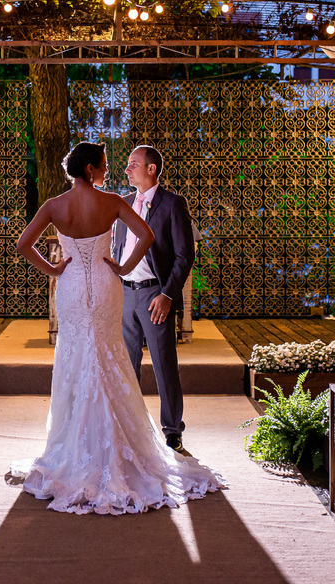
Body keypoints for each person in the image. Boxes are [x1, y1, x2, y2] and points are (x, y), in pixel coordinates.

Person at [9, 141, 223, 514]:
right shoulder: (111, 202)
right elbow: (147, 236)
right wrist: (123, 269)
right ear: (90, 169)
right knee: (110, 357)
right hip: (108, 285)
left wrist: (54, 270)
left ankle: (73, 444)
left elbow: (24, 244)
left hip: (72, 287)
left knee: (77, 356)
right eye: (105, 165)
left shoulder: (53, 206)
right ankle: (121, 441)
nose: (111, 170)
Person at [111, 145, 193, 451]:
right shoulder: (123, 204)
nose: (127, 169)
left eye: (133, 164)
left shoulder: (173, 204)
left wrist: (167, 294)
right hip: (125, 295)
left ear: (151, 169)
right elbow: (117, 247)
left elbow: (184, 256)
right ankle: (129, 424)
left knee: (164, 363)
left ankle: (172, 429)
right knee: (126, 364)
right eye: (128, 164)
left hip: (154, 294)